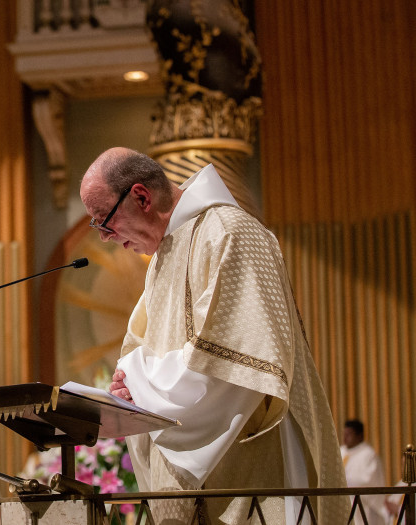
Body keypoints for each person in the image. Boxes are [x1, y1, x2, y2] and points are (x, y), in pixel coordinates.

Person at [81, 147, 348, 523]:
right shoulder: (162, 257)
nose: (106, 237)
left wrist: (140, 382)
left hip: (249, 468)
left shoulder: (230, 233)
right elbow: (138, 352)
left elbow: (237, 361)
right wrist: (127, 388)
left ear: (141, 196)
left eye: (103, 221)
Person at [341, 419, 389, 524]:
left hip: (361, 506)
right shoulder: (340, 452)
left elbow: (369, 482)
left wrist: (343, 480)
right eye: (344, 434)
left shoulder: (368, 455)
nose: (345, 438)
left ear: (360, 436)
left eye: (349, 434)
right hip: (341, 503)